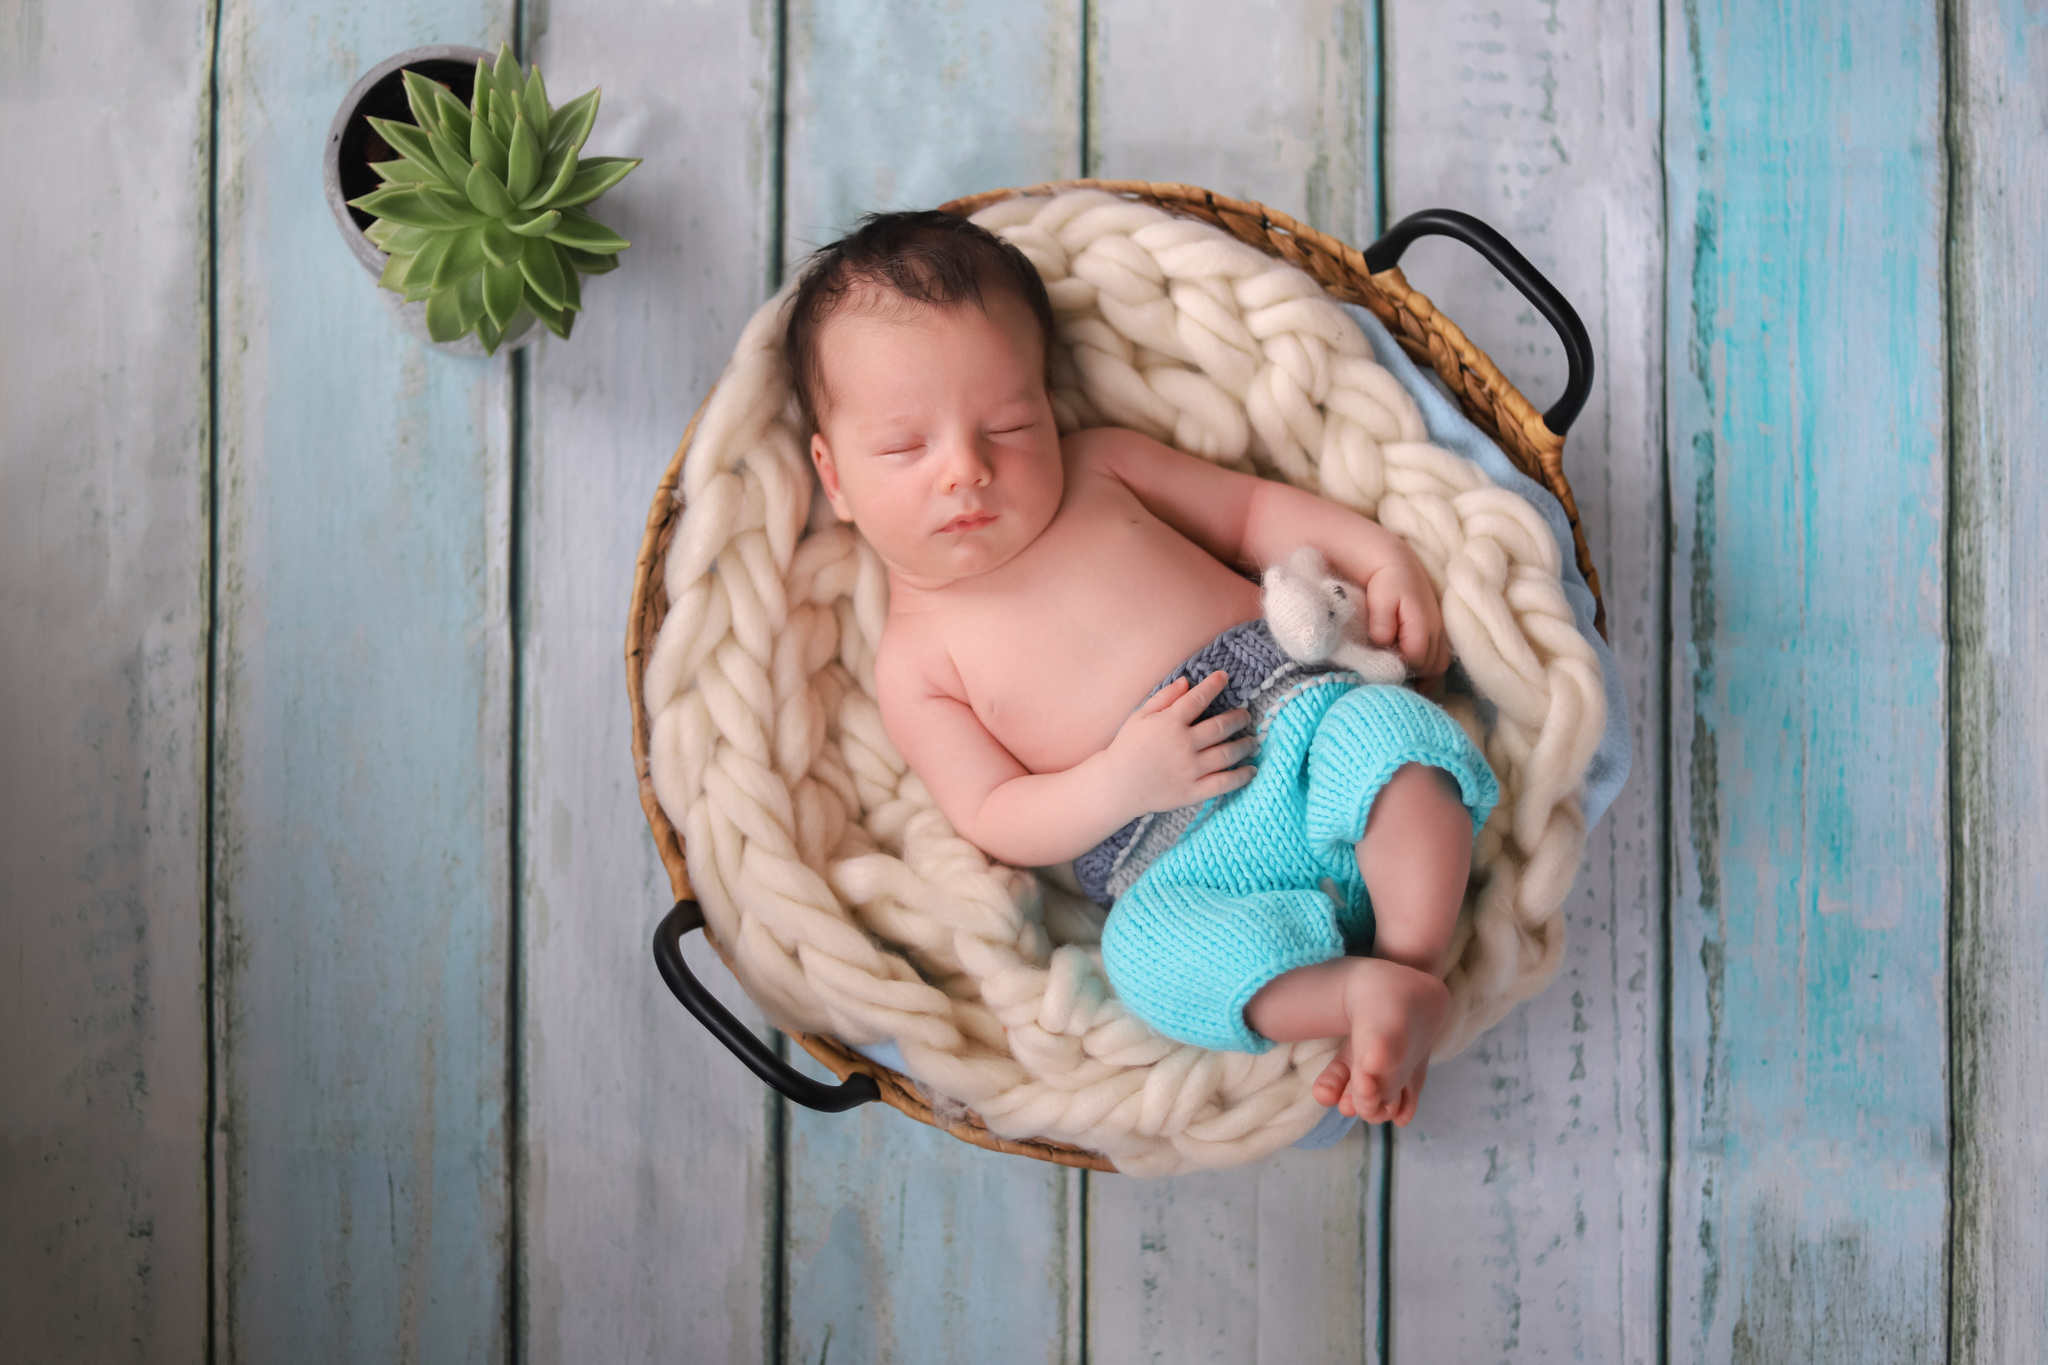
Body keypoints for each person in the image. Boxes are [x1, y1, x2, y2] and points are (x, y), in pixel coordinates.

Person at [784, 210, 1497, 1128]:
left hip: (1298, 723)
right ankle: (1354, 996)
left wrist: (1380, 556)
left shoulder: (1100, 470)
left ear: (1047, 401)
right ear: (834, 477)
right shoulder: (915, 662)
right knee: (1144, 958)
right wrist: (1120, 780)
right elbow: (994, 813)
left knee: (1394, 739)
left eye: (1008, 424)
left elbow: (1249, 513)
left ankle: (1413, 961)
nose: (966, 470)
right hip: (1169, 857)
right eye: (905, 448)